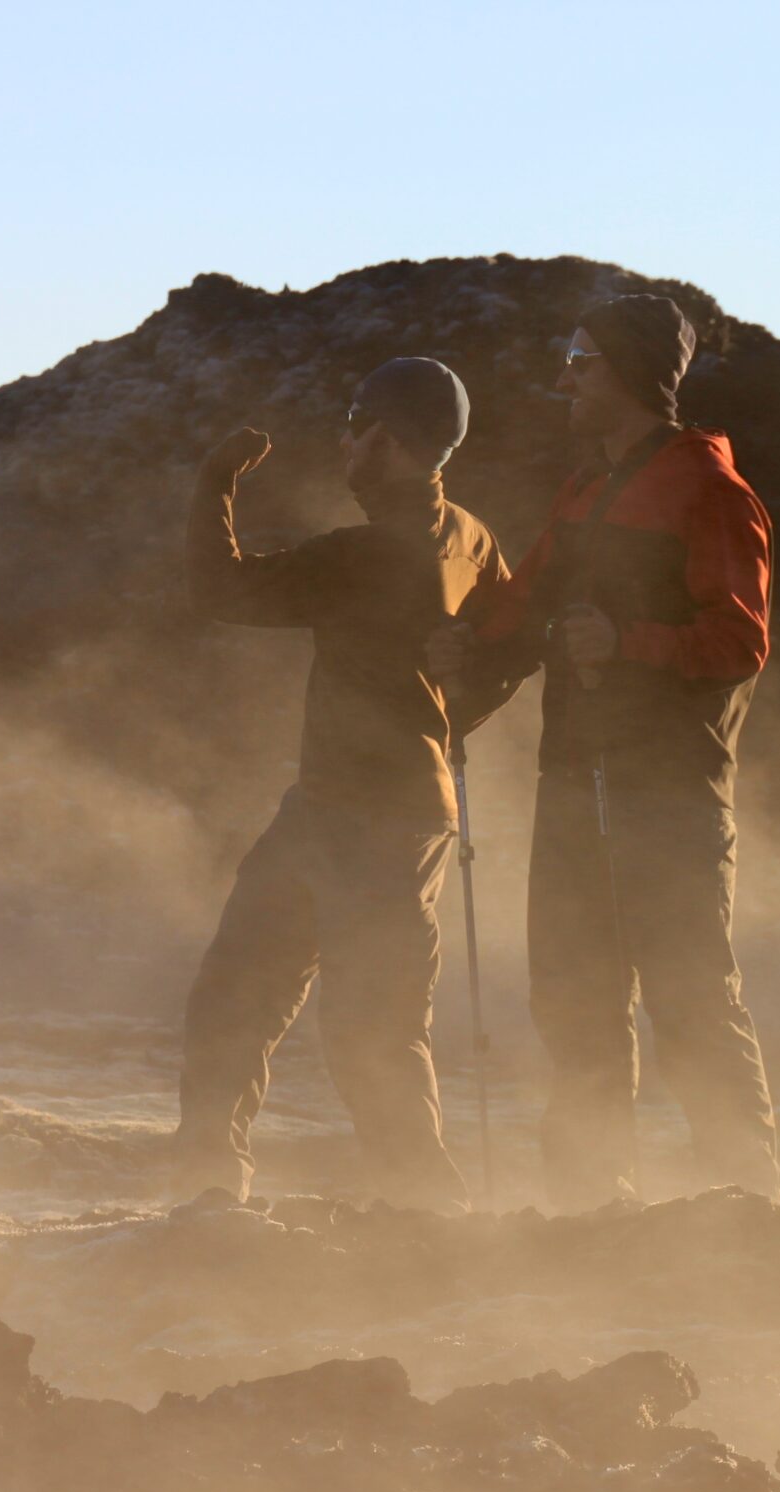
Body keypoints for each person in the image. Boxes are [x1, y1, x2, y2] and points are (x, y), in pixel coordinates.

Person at [428, 295, 780, 1211]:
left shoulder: (711, 492)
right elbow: (525, 598)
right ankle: (594, 1208)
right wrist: (462, 646)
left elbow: (742, 641)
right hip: (572, 777)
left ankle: (755, 1211)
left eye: (580, 361)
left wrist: (626, 643)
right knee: (574, 999)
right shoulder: (588, 488)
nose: (564, 378)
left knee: (691, 1001)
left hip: (668, 792)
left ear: (628, 372)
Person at [169, 357, 515, 1213]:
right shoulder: (472, 534)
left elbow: (221, 588)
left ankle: (228, 1197)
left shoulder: (361, 553)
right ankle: (415, 1214)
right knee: (348, 1022)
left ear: (389, 440)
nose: (343, 441)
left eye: (355, 423)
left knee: (293, 1012)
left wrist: (215, 482)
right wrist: (457, 700)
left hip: (359, 815)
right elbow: (513, 642)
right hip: (389, 811)